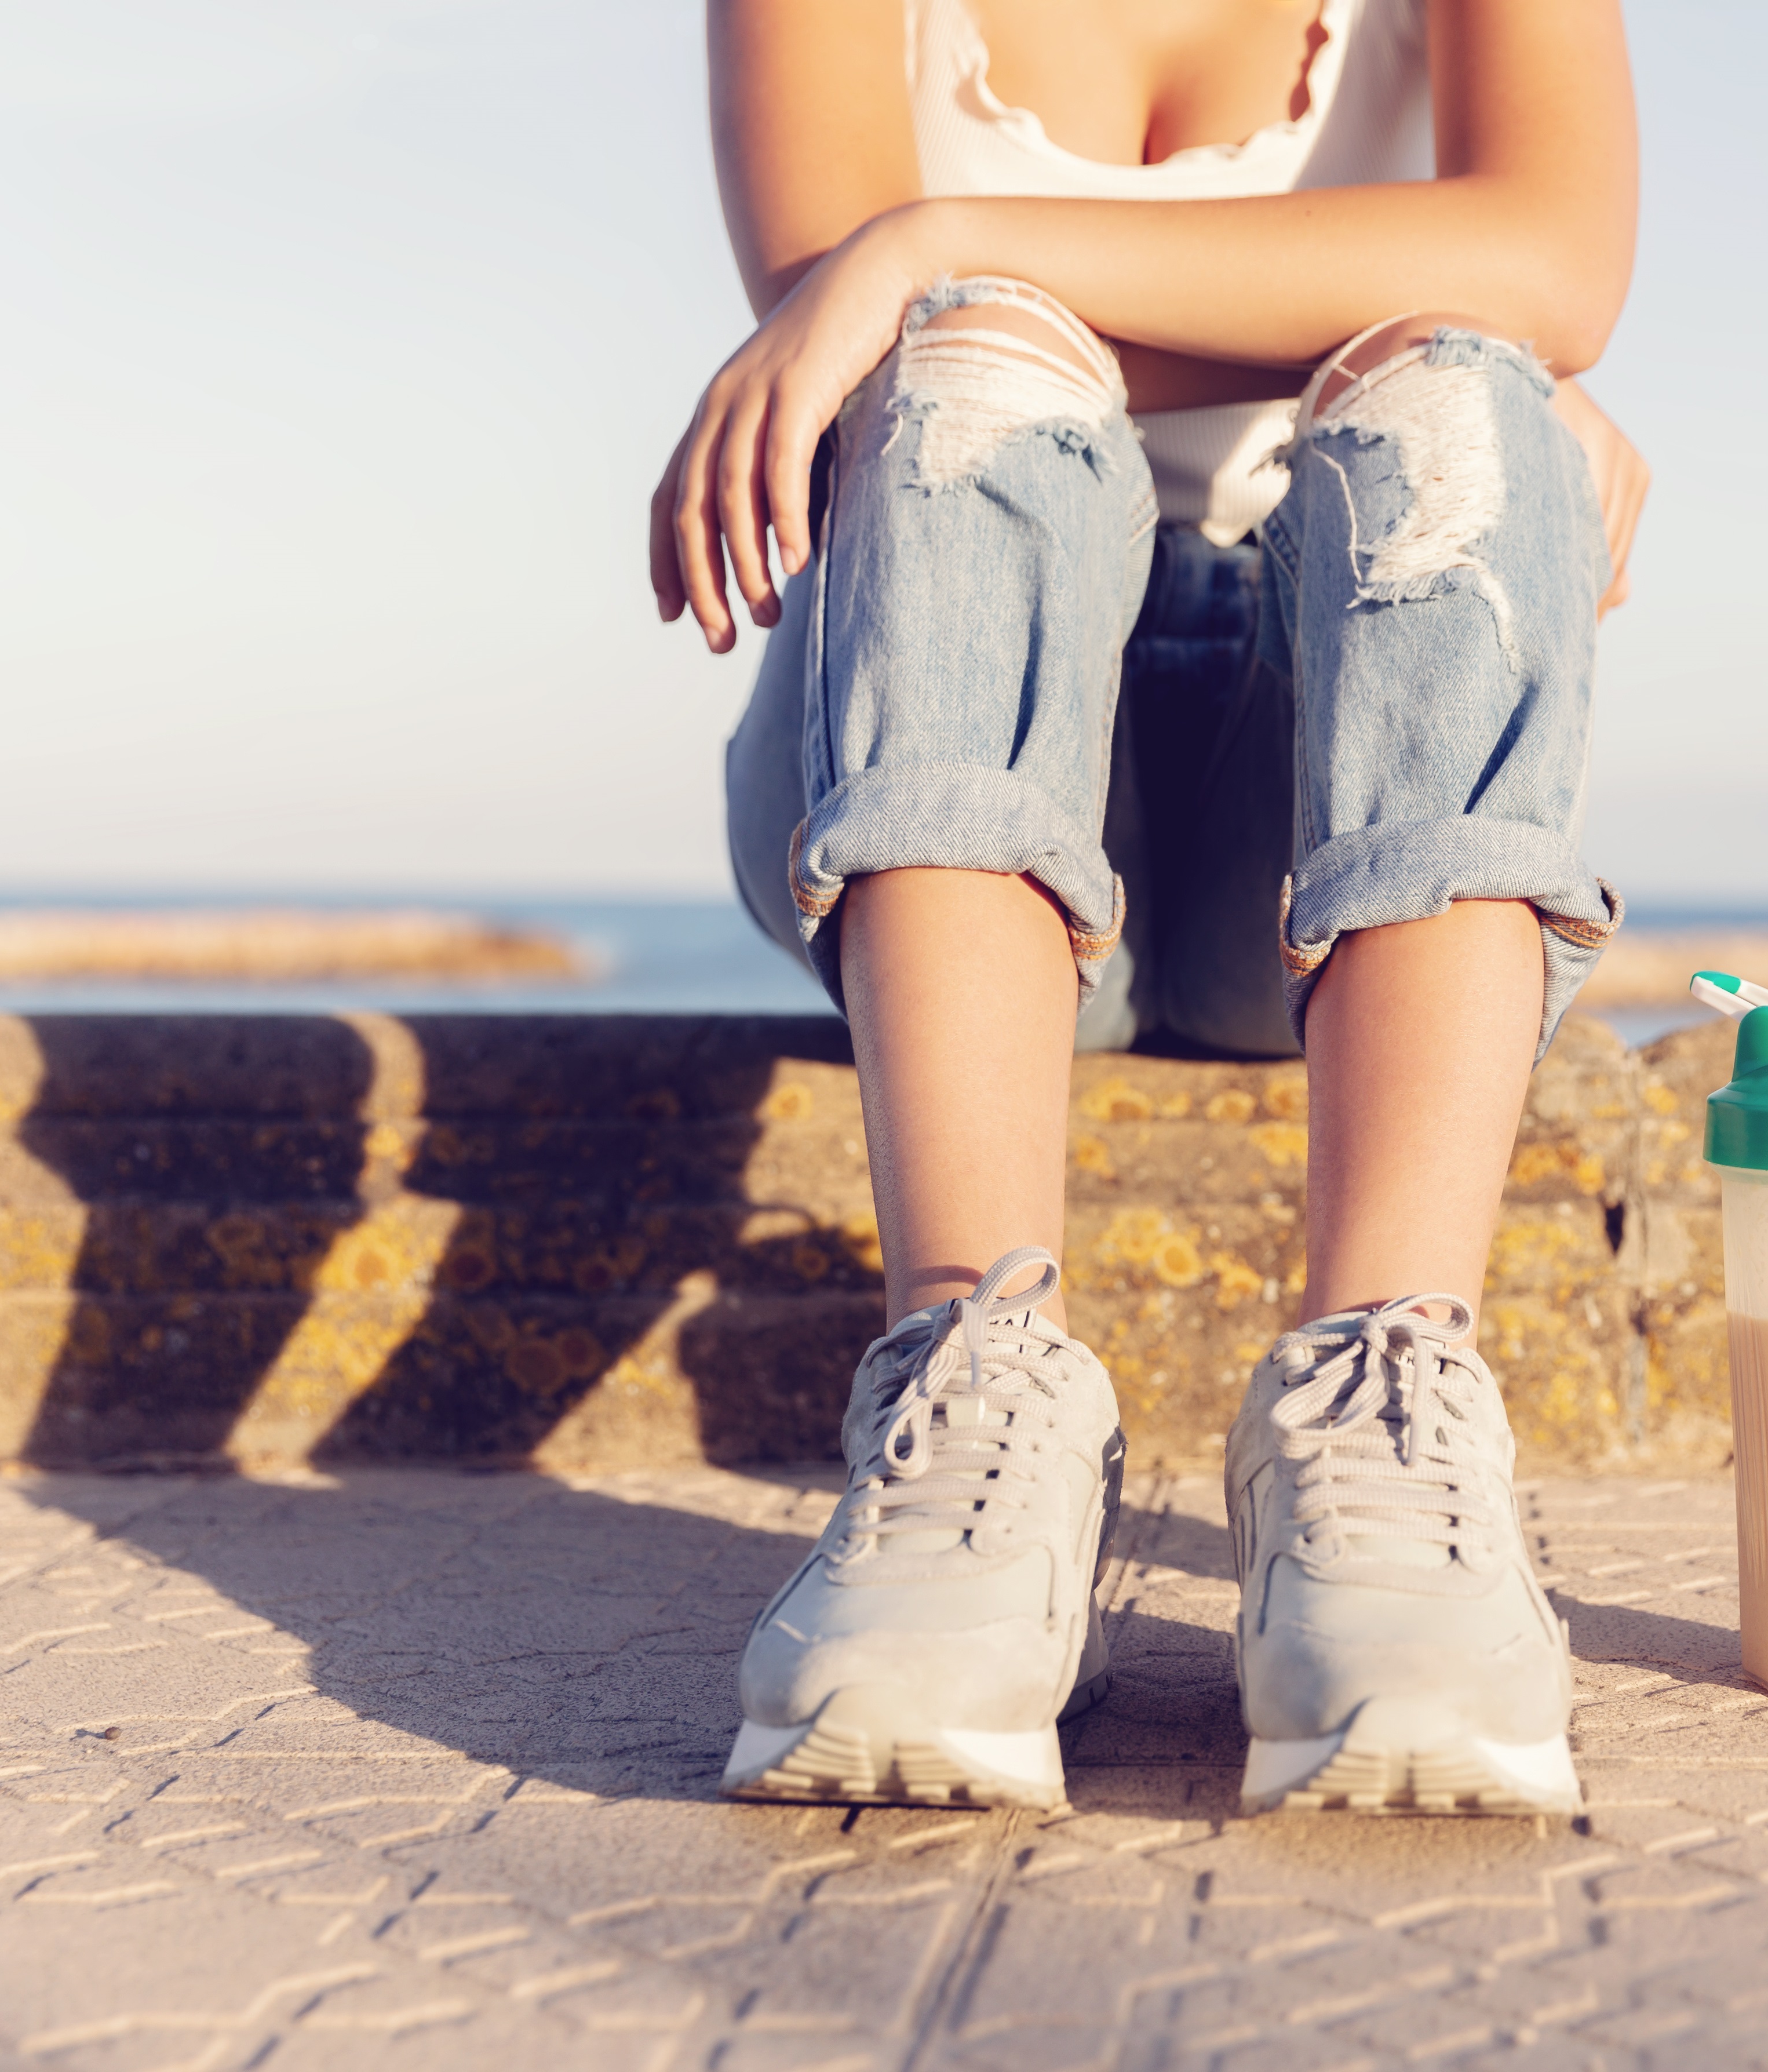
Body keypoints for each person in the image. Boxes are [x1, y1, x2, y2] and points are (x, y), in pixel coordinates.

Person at [653, 0, 1646, 1816]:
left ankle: (1384, 1441)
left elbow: (1557, 263)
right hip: (958, 748)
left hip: (1309, 783)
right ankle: (966, 1416)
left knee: (1463, 396)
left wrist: (940, 235)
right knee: (974, 369)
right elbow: (858, 346)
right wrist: (1418, 300)